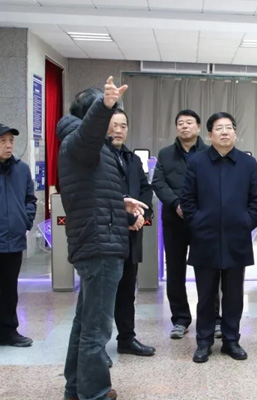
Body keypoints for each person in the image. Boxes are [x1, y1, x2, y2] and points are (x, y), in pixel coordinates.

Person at [58, 77, 148, 400]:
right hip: (99, 245)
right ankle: (94, 393)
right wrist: (104, 104)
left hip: (99, 239)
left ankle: (75, 387)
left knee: (85, 323)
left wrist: (121, 203)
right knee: (97, 328)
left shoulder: (89, 147)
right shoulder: (80, 140)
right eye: (110, 115)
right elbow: (89, 135)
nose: (114, 123)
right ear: (94, 114)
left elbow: (92, 191)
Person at [181, 112, 257, 363]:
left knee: (234, 295)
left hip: (236, 238)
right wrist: (197, 223)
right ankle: (204, 341)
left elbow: (256, 199)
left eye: (229, 127)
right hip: (204, 238)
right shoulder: (197, 162)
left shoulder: (247, 163)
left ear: (235, 133)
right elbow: (187, 198)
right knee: (206, 295)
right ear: (209, 134)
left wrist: (247, 222)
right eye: (219, 128)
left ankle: (231, 340)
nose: (225, 132)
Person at [152, 110, 221, 340]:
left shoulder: (210, 152)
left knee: (209, 270)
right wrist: (176, 204)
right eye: (180, 123)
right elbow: (158, 183)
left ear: (198, 127)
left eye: (189, 122)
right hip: (174, 221)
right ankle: (180, 319)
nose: (184, 126)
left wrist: (194, 207)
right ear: (176, 128)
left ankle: (213, 318)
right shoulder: (165, 154)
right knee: (175, 271)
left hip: (203, 221)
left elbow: (215, 184)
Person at [107, 109, 156, 357]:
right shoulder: (98, 157)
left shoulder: (132, 159)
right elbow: (101, 196)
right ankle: (95, 345)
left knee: (127, 291)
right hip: (106, 234)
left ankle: (126, 338)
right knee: (103, 293)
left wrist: (141, 216)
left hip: (131, 235)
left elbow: (146, 189)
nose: (118, 130)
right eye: (114, 125)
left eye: (123, 125)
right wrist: (126, 217)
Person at [0, 124, 36, 348]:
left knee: (9, 289)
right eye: (3, 141)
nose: (8, 145)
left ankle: (8, 332)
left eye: (11, 141)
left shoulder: (22, 169)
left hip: (14, 240)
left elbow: (30, 199)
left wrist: (25, 221)